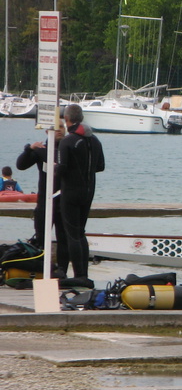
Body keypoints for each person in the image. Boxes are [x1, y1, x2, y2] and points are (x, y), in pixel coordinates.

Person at [55, 104, 105, 280]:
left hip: (70, 192)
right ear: (82, 119)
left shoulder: (67, 142)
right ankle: (84, 275)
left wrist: (53, 171)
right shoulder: (95, 140)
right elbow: (101, 166)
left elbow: (61, 168)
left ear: (67, 120)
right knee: (80, 232)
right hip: (89, 191)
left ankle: (78, 276)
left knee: (72, 235)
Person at [17, 128, 62, 247]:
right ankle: (41, 262)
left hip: (64, 200)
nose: (59, 130)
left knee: (64, 239)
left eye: (61, 127)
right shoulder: (42, 150)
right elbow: (21, 165)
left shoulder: (68, 148)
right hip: (44, 200)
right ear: (48, 131)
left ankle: (63, 265)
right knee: (41, 238)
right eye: (55, 128)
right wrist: (29, 149)